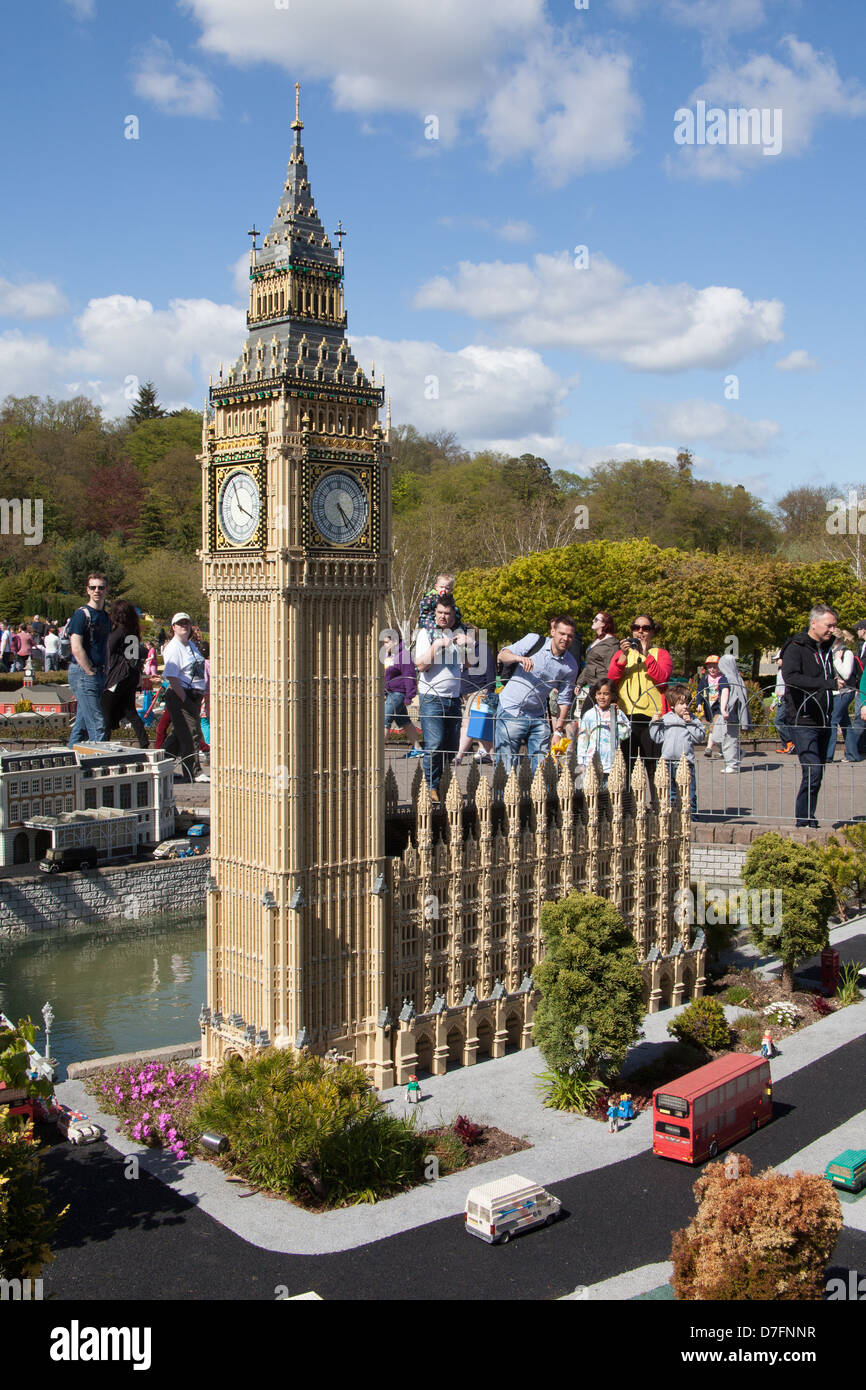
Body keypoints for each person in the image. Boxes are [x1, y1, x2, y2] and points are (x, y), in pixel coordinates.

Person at [495, 615, 579, 775]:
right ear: (553, 631)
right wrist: (518, 658)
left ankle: (539, 799)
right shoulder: (534, 640)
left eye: (570, 636)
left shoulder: (570, 666)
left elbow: (564, 699)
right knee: (506, 767)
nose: (565, 638)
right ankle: (502, 799)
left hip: (538, 716)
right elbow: (502, 655)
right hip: (511, 710)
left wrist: (558, 731)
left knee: (542, 769)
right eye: (562, 633)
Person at [780, 603, 838, 827]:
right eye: (828, 625)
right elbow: (792, 677)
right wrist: (826, 684)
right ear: (813, 623)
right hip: (802, 718)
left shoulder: (824, 647)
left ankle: (808, 816)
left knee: (817, 773)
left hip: (823, 717)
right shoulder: (796, 647)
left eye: (834, 626)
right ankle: (802, 820)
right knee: (812, 769)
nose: (832, 630)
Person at [413, 596, 469, 800]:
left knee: (451, 746)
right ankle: (431, 787)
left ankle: (443, 782)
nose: (443, 617)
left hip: (453, 698)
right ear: (435, 614)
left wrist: (468, 645)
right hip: (431, 697)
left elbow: (470, 664)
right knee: (435, 744)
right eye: (440, 613)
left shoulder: (459, 633)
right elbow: (420, 666)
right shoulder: (425, 634)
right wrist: (437, 646)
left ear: (454, 616)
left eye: (447, 613)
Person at [607, 615, 672, 786]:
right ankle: (628, 808)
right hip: (626, 716)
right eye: (636, 627)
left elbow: (662, 679)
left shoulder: (660, 654)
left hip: (653, 717)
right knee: (625, 766)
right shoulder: (622, 654)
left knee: (654, 766)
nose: (640, 631)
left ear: (652, 632)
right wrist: (623, 655)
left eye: (645, 628)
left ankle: (657, 806)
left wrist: (645, 654)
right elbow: (612, 679)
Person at [162, 612, 210, 783]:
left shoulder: (190, 645)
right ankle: (193, 771)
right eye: (180, 624)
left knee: (179, 734)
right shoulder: (174, 648)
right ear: (173, 627)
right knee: (191, 733)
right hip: (182, 694)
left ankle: (161, 767)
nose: (184, 626)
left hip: (192, 694)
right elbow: (172, 677)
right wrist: (185, 699)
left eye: (187, 623)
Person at [67, 573, 112, 745]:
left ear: (106, 590)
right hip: (83, 673)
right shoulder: (81, 614)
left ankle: (71, 761)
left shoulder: (105, 617)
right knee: (97, 724)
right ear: (87, 590)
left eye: (101, 587)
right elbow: (76, 646)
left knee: (83, 724)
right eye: (93, 587)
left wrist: (105, 670)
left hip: (99, 673)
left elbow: (105, 646)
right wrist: (89, 671)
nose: (97, 591)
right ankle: (100, 763)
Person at [649, 686, 706, 814]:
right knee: (670, 793)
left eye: (687, 703)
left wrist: (690, 723)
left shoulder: (693, 719)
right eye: (681, 704)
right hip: (667, 762)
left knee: (689, 793)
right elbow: (657, 737)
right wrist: (654, 723)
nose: (685, 706)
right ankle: (671, 818)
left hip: (685, 763)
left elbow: (699, 737)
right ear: (673, 705)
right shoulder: (666, 719)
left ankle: (692, 819)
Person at [100, 600, 149, 748]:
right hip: (131, 677)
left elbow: (108, 649)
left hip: (117, 677)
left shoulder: (118, 631)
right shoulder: (132, 632)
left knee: (105, 710)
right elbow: (134, 657)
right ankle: (144, 742)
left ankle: (103, 742)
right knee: (130, 711)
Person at [572, 679, 630, 785]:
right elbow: (582, 740)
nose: (602, 697)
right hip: (591, 764)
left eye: (606, 694)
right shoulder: (589, 715)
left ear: (612, 695)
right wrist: (581, 762)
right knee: (592, 795)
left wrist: (617, 717)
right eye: (599, 694)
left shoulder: (618, 713)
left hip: (611, 764)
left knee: (610, 796)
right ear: (595, 695)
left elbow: (625, 734)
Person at [454, 625, 496, 765]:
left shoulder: (482, 648)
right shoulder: (465, 651)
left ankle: (459, 757)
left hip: (480, 691)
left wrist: (490, 691)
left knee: (468, 723)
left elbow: (490, 670)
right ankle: (492, 754)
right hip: (466, 692)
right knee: (475, 724)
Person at [383, 633, 423, 757]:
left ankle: (376, 753)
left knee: (385, 719)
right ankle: (418, 749)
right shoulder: (389, 655)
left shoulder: (403, 655)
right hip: (390, 693)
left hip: (397, 694)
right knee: (405, 721)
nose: (384, 645)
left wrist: (409, 696)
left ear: (394, 642)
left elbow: (409, 676)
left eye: (386, 642)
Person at [572, 611, 618, 716]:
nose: (593, 621)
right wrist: (580, 683)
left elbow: (611, 668)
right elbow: (590, 665)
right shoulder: (597, 641)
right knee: (588, 715)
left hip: (602, 686)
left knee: (587, 714)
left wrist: (608, 689)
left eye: (596, 619)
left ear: (604, 624)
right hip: (592, 685)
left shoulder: (611, 644)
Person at [827, 626, 858, 761]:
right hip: (835, 692)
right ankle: (853, 754)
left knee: (833, 721)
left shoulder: (846, 653)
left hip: (845, 692)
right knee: (845, 722)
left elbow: (846, 674)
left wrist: (837, 660)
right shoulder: (831, 652)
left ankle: (827, 755)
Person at [715, 655, 750, 773]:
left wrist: (723, 709)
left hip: (728, 714)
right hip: (733, 713)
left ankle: (733, 765)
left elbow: (725, 693)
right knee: (718, 737)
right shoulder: (737, 678)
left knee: (729, 740)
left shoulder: (726, 678)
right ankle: (738, 753)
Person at [842, 618, 866, 762]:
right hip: (861, 687)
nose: (857, 631)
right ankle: (858, 749)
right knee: (859, 719)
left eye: (858, 629)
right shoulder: (861, 645)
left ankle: (853, 751)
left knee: (859, 720)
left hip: (863, 688)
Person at [697, 656, 726, 758]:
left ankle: (709, 748)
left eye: (715, 667)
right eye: (710, 667)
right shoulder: (704, 680)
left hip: (719, 706)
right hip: (709, 706)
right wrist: (699, 703)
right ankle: (723, 750)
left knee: (713, 727)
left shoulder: (723, 679)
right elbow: (699, 692)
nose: (712, 669)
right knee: (715, 728)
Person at [771, 652, 795, 754]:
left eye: (778, 659)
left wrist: (783, 694)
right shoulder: (780, 671)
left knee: (778, 721)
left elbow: (788, 686)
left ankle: (790, 742)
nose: (776, 661)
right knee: (784, 722)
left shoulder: (787, 671)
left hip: (785, 699)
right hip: (781, 699)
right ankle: (786, 745)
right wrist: (774, 702)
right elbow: (778, 687)